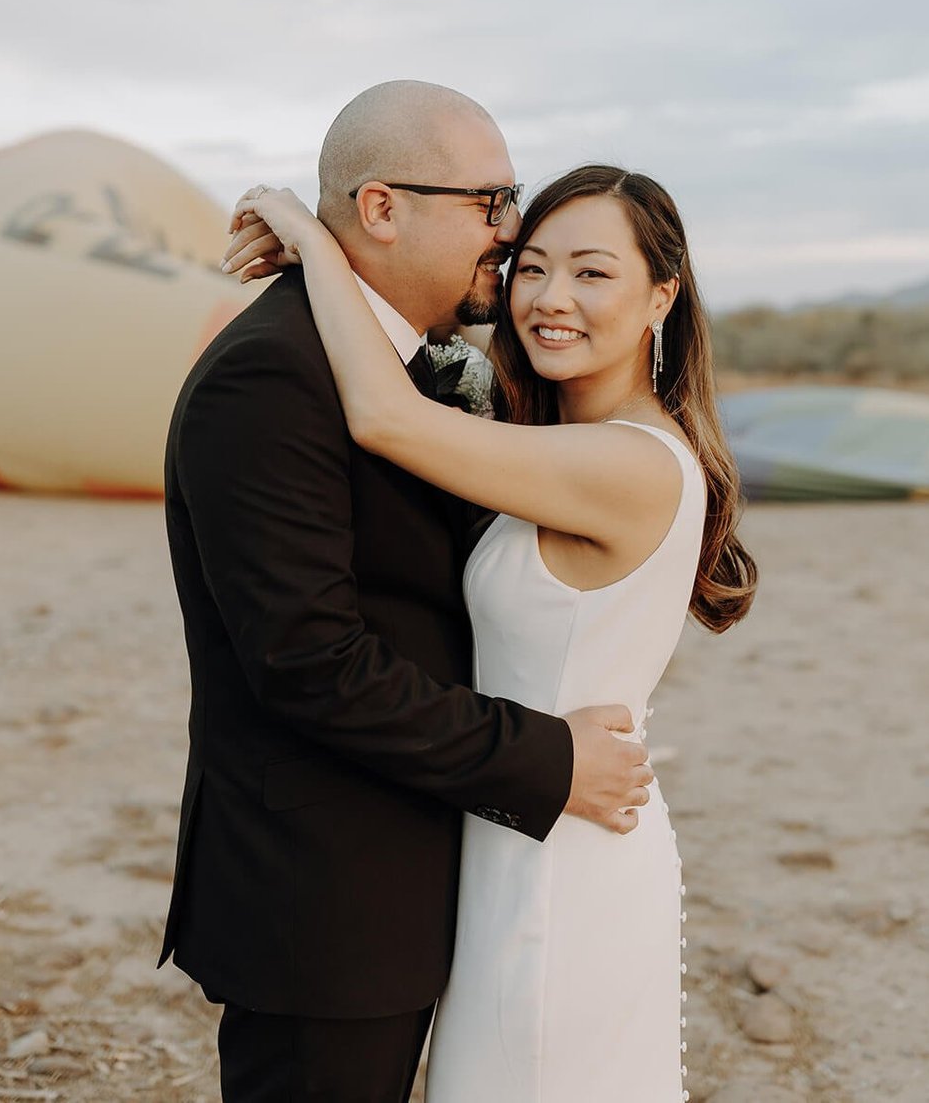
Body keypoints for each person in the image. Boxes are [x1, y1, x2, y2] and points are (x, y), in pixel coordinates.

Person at [159, 81, 653, 1103]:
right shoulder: (272, 377)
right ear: (380, 209)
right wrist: (546, 760)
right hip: (326, 896)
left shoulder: (419, 372)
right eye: (491, 204)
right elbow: (310, 662)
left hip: (436, 870)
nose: (510, 238)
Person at [223, 161, 758, 1103]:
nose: (551, 300)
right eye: (534, 268)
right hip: (512, 830)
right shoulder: (543, 445)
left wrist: (315, 241)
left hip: (568, 863)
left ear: (661, 296)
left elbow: (382, 417)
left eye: (593, 273)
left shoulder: (632, 465)